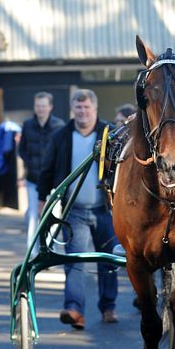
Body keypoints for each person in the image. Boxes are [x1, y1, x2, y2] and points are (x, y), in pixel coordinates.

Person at [38, 89, 118, 329]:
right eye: (78, 107)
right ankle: (74, 309)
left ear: (94, 108)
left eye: (87, 108)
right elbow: (47, 169)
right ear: (72, 109)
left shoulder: (109, 133)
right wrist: (43, 200)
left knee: (109, 260)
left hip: (105, 209)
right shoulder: (61, 135)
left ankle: (108, 307)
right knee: (74, 261)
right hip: (74, 210)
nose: (82, 112)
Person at [19, 92, 66, 251]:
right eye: (38, 106)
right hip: (33, 179)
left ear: (50, 107)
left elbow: (62, 152)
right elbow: (22, 150)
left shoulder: (59, 126)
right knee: (33, 215)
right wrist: (31, 162)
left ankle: (50, 250)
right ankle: (33, 253)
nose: (41, 109)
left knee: (53, 216)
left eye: (44, 106)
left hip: (53, 180)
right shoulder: (27, 125)